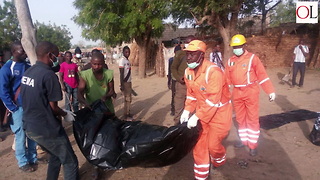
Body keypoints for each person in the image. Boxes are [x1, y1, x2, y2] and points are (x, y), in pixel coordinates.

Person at [21, 41, 79, 179]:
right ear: (50, 55)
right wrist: (66, 114)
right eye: (57, 55)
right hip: (46, 128)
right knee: (70, 161)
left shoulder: (29, 72)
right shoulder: (49, 76)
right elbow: (53, 107)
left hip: (29, 126)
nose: (58, 58)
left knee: (55, 155)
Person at [180, 40, 232, 180]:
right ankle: (201, 176)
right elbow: (191, 95)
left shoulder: (213, 72)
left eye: (193, 54)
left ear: (201, 55)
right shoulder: (188, 72)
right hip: (202, 111)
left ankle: (218, 159)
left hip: (219, 114)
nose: (189, 57)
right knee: (199, 145)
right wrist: (186, 111)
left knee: (213, 146)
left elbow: (213, 101)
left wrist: (196, 116)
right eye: (187, 54)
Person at [225, 34, 276, 156]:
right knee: (240, 119)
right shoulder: (230, 61)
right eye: (234, 46)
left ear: (244, 45)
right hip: (237, 93)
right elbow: (226, 81)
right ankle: (244, 141)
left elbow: (262, 76)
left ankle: (253, 145)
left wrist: (270, 91)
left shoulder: (253, 59)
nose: (236, 48)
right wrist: (224, 97)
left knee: (252, 119)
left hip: (251, 91)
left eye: (238, 46)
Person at [0, 41, 38, 172]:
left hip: (30, 107)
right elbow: (3, 92)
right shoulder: (7, 68)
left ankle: (33, 158)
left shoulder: (28, 66)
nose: (24, 52)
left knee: (32, 134)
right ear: (14, 52)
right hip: (18, 108)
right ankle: (23, 162)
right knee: (20, 136)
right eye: (21, 50)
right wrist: (13, 108)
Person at [170, 35, 196, 124]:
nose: (188, 44)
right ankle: (177, 128)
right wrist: (178, 78)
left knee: (193, 110)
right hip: (181, 85)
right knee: (179, 109)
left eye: (191, 42)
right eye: (187, 42)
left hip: (194, 86)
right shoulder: (180, 54)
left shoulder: (198, 55)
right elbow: (173, 68)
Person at [119, 46, 134, 121]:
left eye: (129, 52)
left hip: (129, 82)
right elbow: (121, 73)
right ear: (123, 52)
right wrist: (122, 84)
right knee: (127, 99)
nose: (128, 53)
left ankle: (128, 112)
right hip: (125, 82)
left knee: (129, 98)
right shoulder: (122, 60)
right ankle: (126, 115)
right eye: (126, 52)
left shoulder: (127, 61)